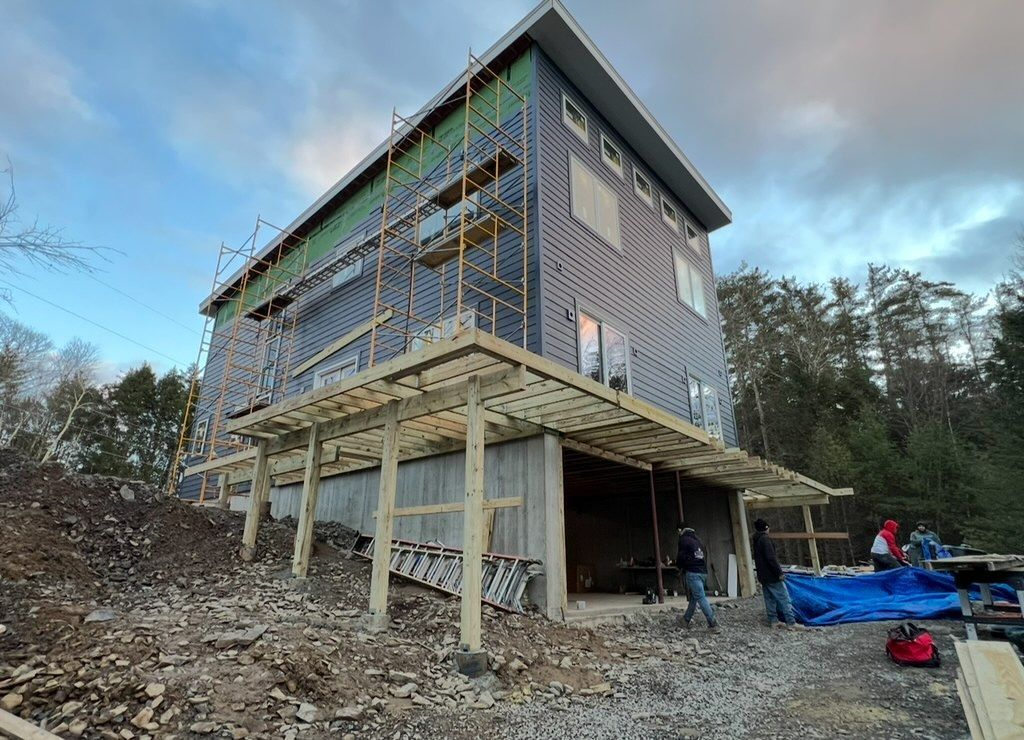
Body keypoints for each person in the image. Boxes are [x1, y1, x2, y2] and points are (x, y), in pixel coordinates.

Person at [751, 518, 804, 630]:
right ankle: (791, 622)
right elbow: (771, 558)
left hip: (763, 576)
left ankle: (773, 621)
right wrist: (779, 573)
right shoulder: (765, 540)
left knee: (769, 598)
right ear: (766, 528)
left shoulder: (756, 540)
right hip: (772, 575)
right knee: (784, 597)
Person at [676, 523, 718, 631]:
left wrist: (679, 567)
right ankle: (686, 620)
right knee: (694, 598)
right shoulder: (698, 540)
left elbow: (681, 557)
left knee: (700, 597)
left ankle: (713, 623)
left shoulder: (683, 540)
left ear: (680, 530)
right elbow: (704, 555)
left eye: (678, 531)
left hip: (693, 572)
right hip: (703, 572)